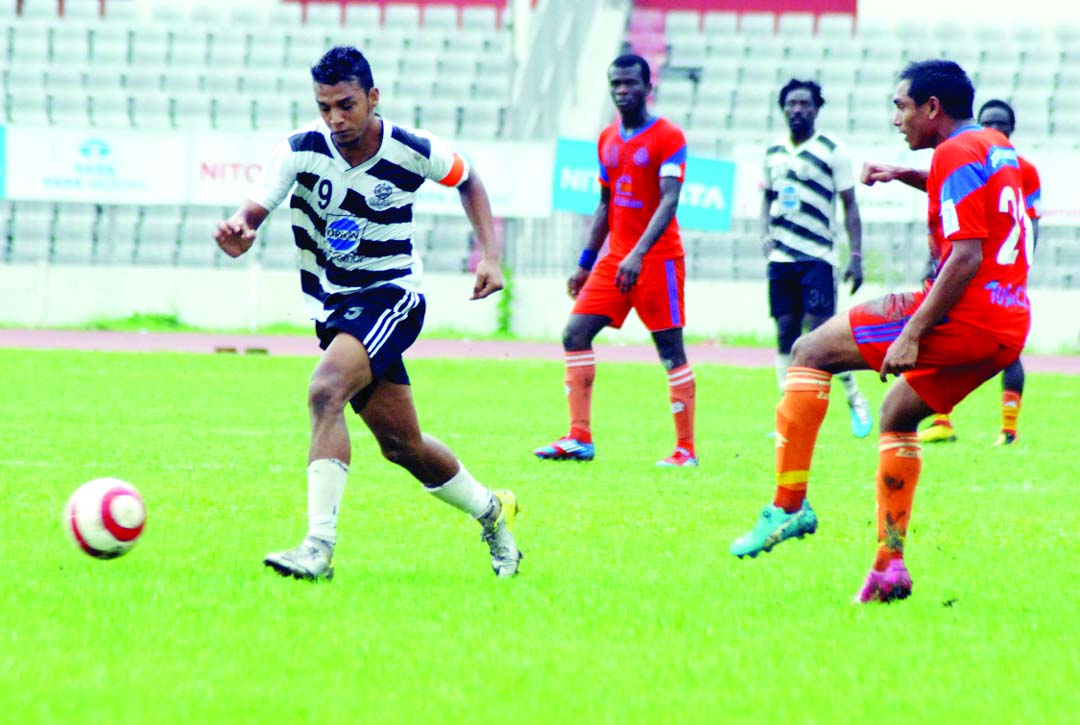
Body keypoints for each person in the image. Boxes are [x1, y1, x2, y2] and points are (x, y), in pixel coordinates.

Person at [213, 47, 522, 581]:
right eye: (325, 106)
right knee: (403, 446)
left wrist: (490, 256)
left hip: (391, 296)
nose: (335, 119)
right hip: (334, 306)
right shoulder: (300, 149)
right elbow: (252, 212)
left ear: (373, 98)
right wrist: (239, 231)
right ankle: (493, 513)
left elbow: (469, 179)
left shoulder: (408, 149)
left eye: (346, 105)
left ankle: (317, 548)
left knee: (324, 391)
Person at [731, 60, 1031, 603]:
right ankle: (888, 568)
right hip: (1008, 323)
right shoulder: (993, 146)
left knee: (808, 349)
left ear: (932, 109)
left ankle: (788, 506)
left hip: (965, 310)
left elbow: (966, 255)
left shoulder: (955, 152)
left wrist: (913, 332)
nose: (897, 119)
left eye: (902, 106)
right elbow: (986, 203)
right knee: (897, 414)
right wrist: (907, 175)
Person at [533, 54, 697, 467]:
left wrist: (639, 253)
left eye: (630, 83)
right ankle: (579, 438)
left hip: (657, 261)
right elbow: (605, 204)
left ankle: (685, 450)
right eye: (616, 84)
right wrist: (587, 262)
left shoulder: (669, 137)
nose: (622, 90)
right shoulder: (607, 138)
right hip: (616, 261)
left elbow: (670, 200)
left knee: (670, 351)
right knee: (574, 333)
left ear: (648, 88)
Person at [919, 98, 1042, 446]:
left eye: (1001, 124)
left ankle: (1008, 430)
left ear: (1011, 129)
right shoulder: (971, 157)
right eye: (988, 122)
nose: (994, 128)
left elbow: (1030, 222)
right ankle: (942, 421)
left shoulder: (1024, 169)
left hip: (1000, 276)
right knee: (939, 338)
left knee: (1007, 350)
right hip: (963, 268)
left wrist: (1021, 269)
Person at [762, 79, 873, 439]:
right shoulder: (773, 153)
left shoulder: (831, 151)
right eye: (791, 103)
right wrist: (765, 232)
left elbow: (850, 206)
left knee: (822, 333)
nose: (798, 110)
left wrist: (855, 255)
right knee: (784, 330)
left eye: (805, 104)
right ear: (783, 108)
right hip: (781, 258)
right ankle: (787, 410)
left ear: (816, 108)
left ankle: (854, 397)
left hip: (818, 257)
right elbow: (768, 198)